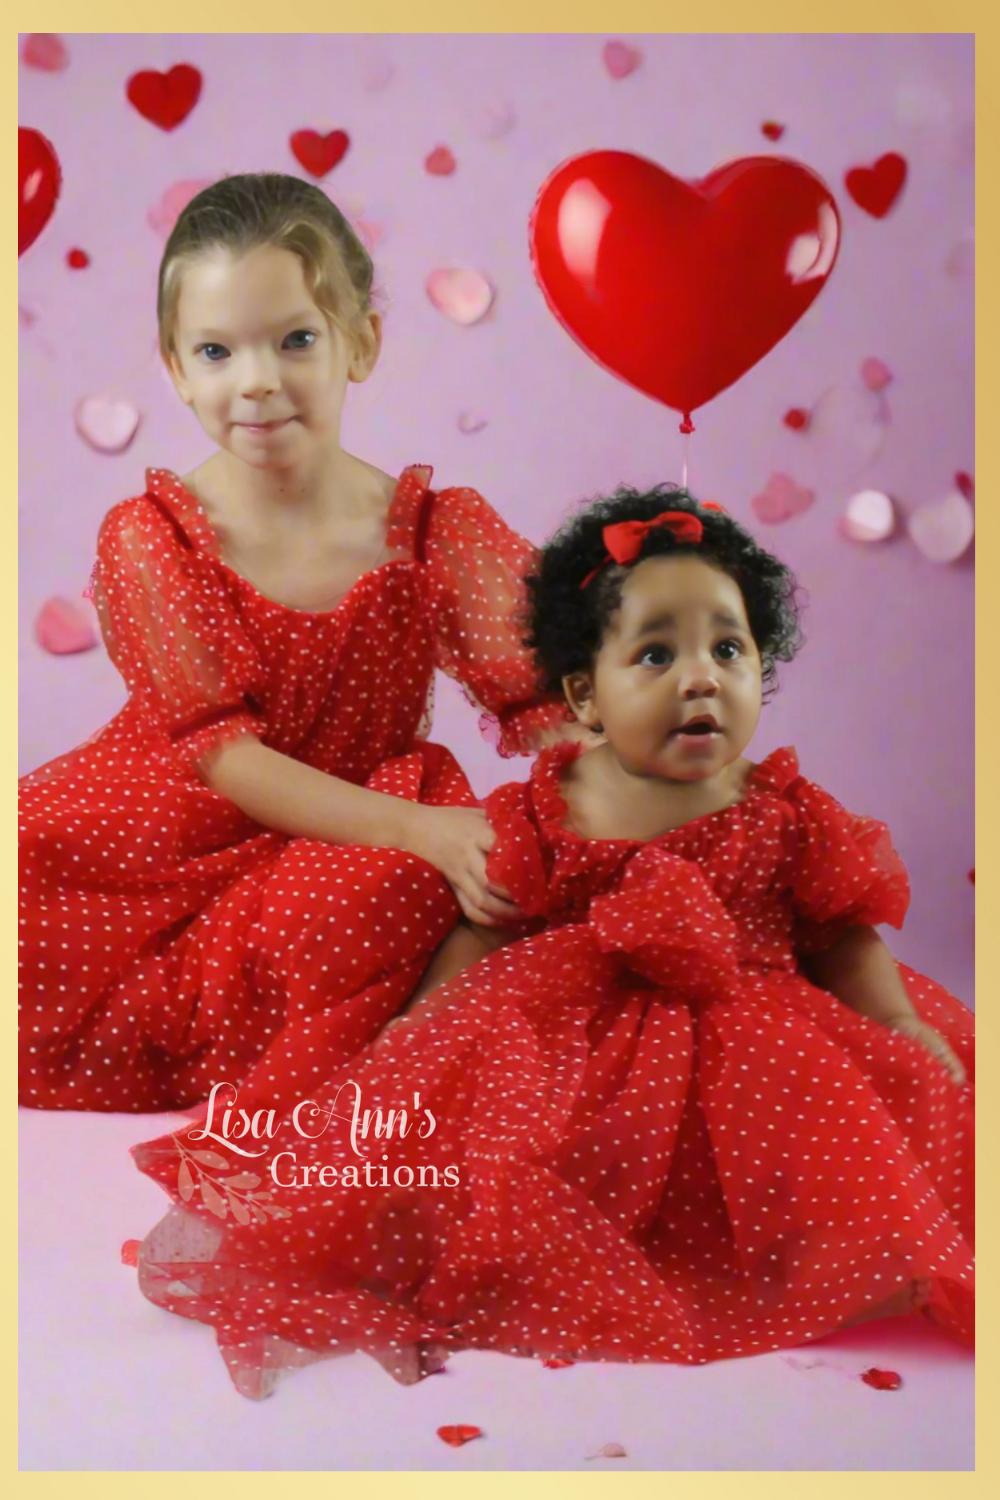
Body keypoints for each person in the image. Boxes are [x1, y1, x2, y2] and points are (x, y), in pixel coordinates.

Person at [126, 485, 974, 1399]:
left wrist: (893, 1017)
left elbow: (839, 929)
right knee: (529, 1150)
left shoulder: (779, 807)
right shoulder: (555, 801)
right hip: (585, 1040)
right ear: (585, 697)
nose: (701, 678)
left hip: (760, 1043)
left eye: (728, 649)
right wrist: (421, 1026)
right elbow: (487, 925)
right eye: (656, 655)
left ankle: (804, 1250)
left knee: (838, 1147)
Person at [18, 171, 571, 1113]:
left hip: (357, 830)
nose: (257, 380)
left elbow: (556, 703)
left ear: (362, 341)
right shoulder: (157, 536)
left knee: (418, 890)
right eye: (217, 350)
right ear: (176, 368)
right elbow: (228, 762)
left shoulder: (436, 532)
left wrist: (602, 822)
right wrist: (430, 830)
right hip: (168, 830)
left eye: (296, 339)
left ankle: (385, 1039)